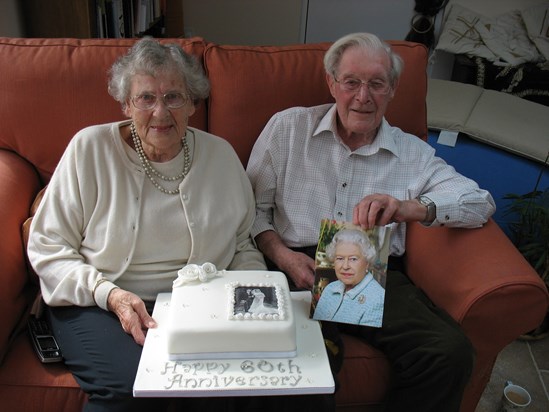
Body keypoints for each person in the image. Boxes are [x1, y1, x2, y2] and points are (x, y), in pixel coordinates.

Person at [246, 32, 496, 412]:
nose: (363, 96)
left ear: (392, 89)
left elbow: (480, 202)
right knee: (300, 365)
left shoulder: (412, 153)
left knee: (449, 353)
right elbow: (251, 210)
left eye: (376, 84)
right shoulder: (287, 129)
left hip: (371, 270)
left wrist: (410, 208)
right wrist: (281, 255)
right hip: (292, 264)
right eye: (351, 82)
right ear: (332, 83)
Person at [27, 37, 266, 412]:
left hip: (197, 306)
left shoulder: (220, 156)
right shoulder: (89, 150)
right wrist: (110, 294)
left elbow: (242, 245)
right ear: (125, 103)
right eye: (146, 98)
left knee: (214, 389)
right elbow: (48, 246)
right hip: (99, 302)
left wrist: (253, 300)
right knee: (130, 388)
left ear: (192, 103)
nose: (160, 112)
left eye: (174, 97)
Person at [313, 229, 385, 327]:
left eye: (353, 259)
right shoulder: (330, 288)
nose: (345, 266)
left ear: (367, 263)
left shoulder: (378, 298)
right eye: (340, 258)